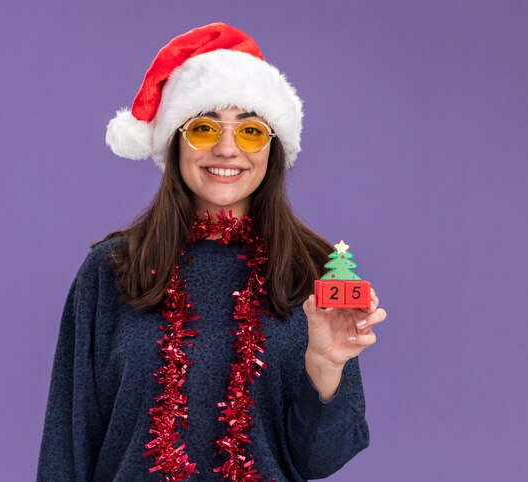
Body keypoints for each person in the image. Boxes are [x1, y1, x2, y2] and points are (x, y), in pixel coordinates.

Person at [37, 22, 386, 482]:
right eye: (204, 128)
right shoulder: (113, 270)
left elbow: (320, 461)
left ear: (273, 147)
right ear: (176, 142)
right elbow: (68, 444)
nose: (226, 149)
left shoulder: (314, 273)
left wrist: (324, 366)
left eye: (250, 131)